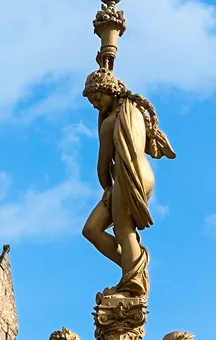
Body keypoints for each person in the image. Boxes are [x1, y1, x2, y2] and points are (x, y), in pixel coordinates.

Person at [81, 68, 175, 297]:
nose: (95, 105)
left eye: (97, 98)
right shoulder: (133, 111)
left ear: (109, 91)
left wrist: (107, 188)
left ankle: (134, 283)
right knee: (92, 229)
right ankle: (132, 270)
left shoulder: (111, 121)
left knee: (124, 230)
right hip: (145, 175)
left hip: (127, 175)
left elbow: (103, 166)